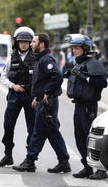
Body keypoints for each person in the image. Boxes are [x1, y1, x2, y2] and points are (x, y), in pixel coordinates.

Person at [12, 33, 71, 173]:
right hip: (43, 100)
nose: (31, 44)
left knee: (38, 131)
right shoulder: (40, 59)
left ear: (42, 44)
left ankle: (30, 161)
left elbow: (57, 77)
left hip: (48, 102)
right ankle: (63, 161)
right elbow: (41, 81)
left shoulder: (46, 59)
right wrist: (37, 97)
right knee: (51, 131)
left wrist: (46, 92)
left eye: (34, 41)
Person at [64, 34, 108, 180]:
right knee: (79, 137)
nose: (74, 50)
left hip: (88, 106)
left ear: (84, 49)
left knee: (91, 139)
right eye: (73, 48)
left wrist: (85, 78)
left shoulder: (93, 63)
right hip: (78, 105)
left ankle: (101, 169)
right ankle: (87, 167)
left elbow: (103, 83)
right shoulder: (79, 63)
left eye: (76, 48)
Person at [0, 26, 35, 167]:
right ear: (17, 43)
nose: (23, 44)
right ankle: (8, 155)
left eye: (26, 42)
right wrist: (13, 86)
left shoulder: (36, 59)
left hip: (30, 96)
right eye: (21, 41)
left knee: (32, 128)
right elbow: (3, 77)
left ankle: (30, 159)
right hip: (14, 95)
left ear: (30, 43)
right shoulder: (11, 58)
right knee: (8, 125)